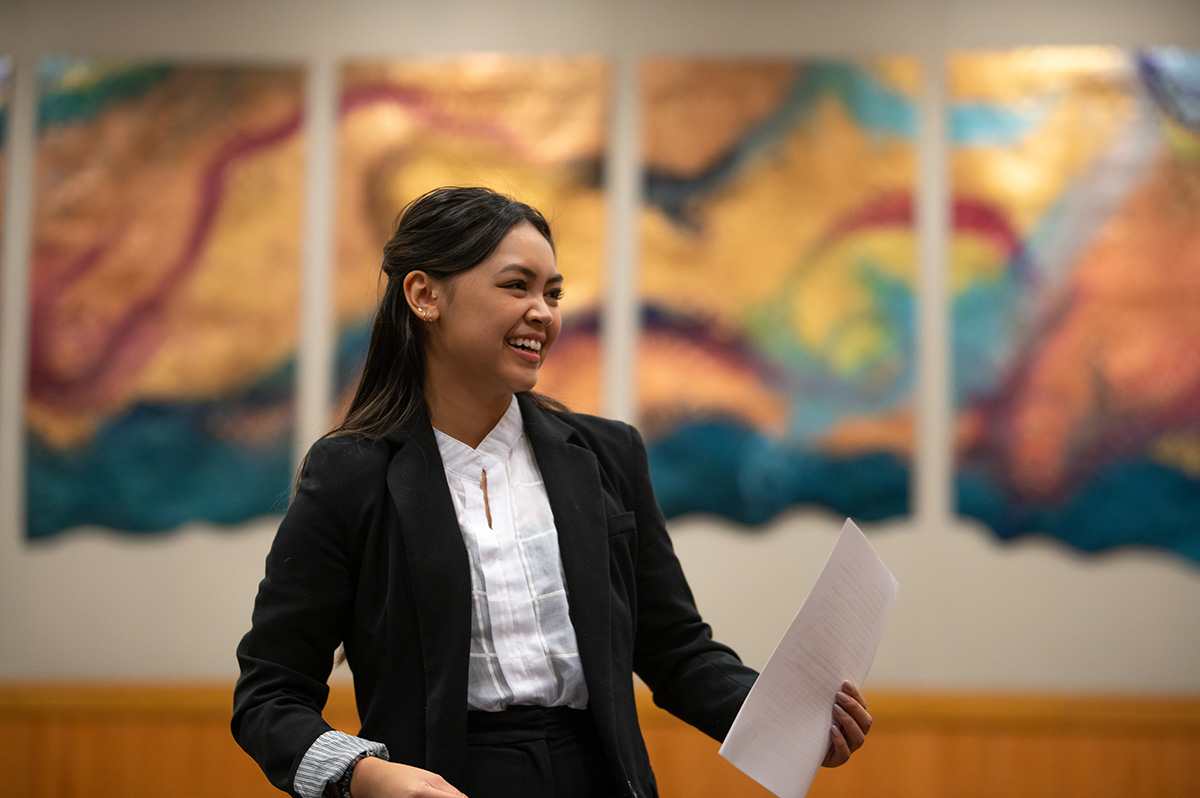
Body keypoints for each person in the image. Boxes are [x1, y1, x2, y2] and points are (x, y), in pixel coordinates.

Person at [231, 186, 872, 798]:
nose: (543, 312)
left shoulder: (607, 454)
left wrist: (787, 717)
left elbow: (675, 650)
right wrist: (364, 774)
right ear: (425, 296)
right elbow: (269, 695)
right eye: (517, 285)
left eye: (553, 292)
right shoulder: (349, 473)